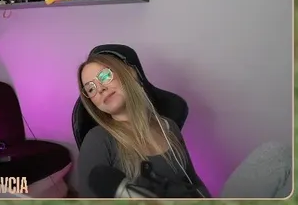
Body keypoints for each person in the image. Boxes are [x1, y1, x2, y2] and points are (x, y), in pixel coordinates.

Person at [75, 53, 211, 198]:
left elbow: (193, 183)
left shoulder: (168, 127)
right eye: (91, 89)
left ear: (129, 73)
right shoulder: (98, 140)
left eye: (104, 76)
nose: (100, 89)